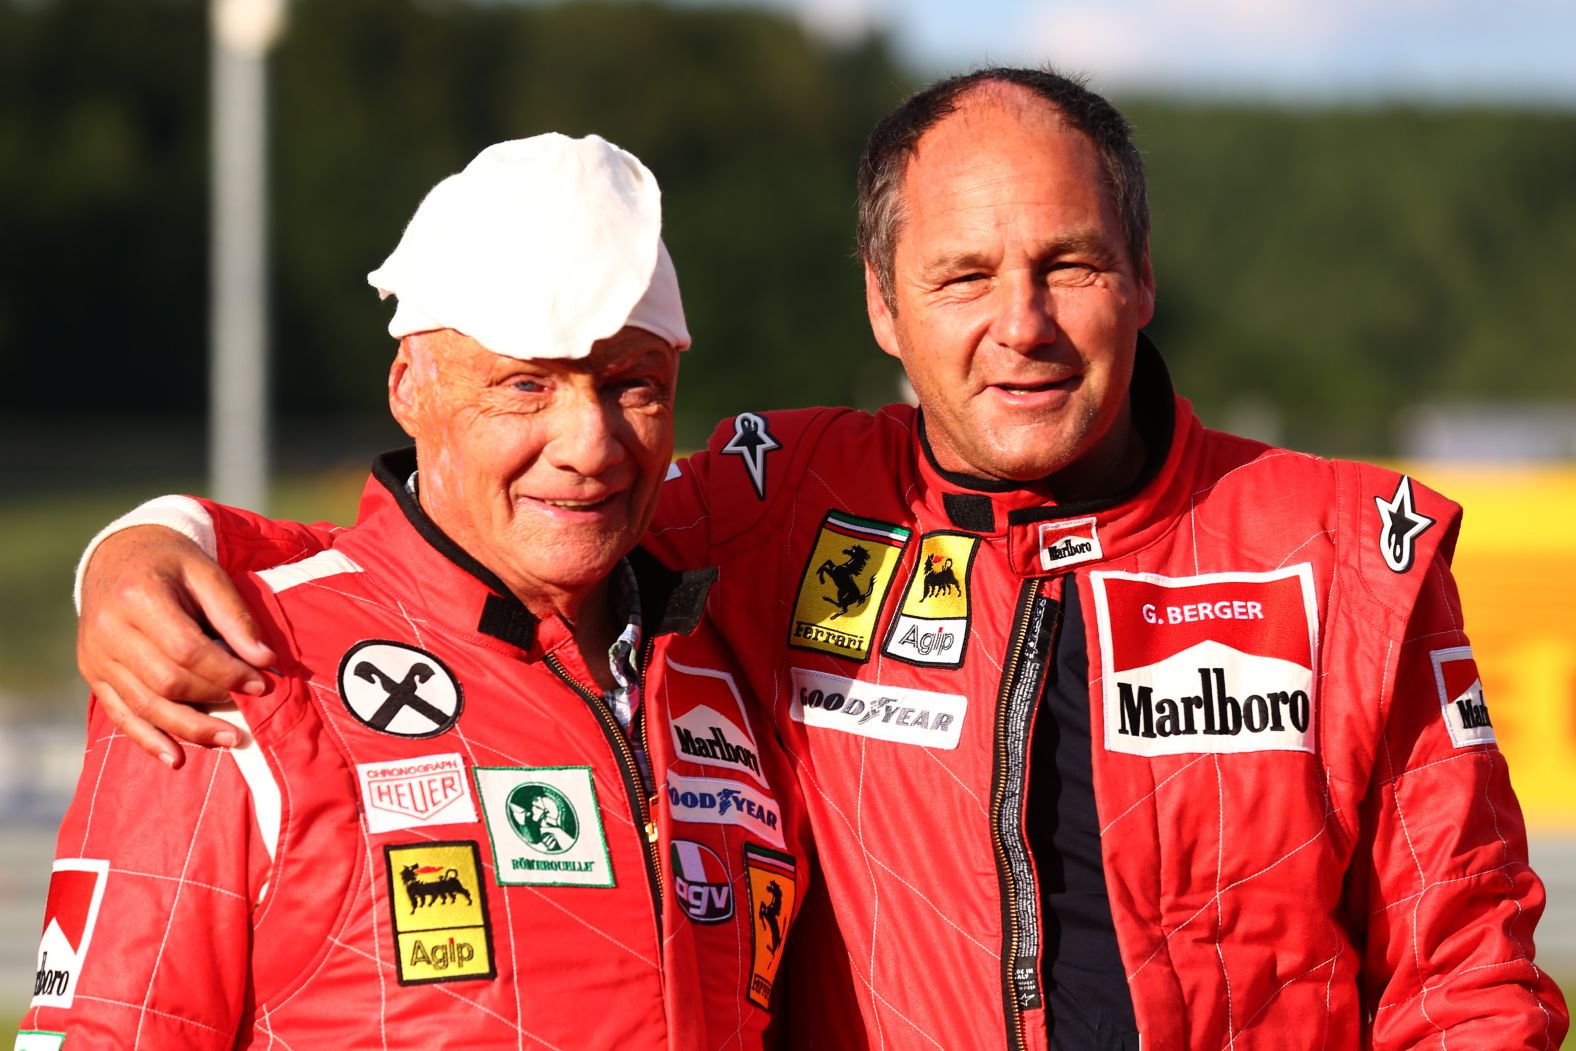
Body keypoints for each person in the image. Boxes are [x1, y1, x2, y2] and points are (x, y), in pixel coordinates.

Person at [71, 69, 1568, 1049]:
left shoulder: (1345, 552)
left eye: (1071, 265)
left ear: (1145, 277)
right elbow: (450, 549)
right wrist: (152, 543)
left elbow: (1472, 984)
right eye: (964, 275)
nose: (1021, 326)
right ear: (881, 303)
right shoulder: (774, 503)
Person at [23, 133, 814, 1049]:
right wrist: (137, 544)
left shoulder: (734, 650)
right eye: (525, 385)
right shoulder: (226, 663)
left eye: (633, 384)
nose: (590, 444)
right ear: (410, 386)